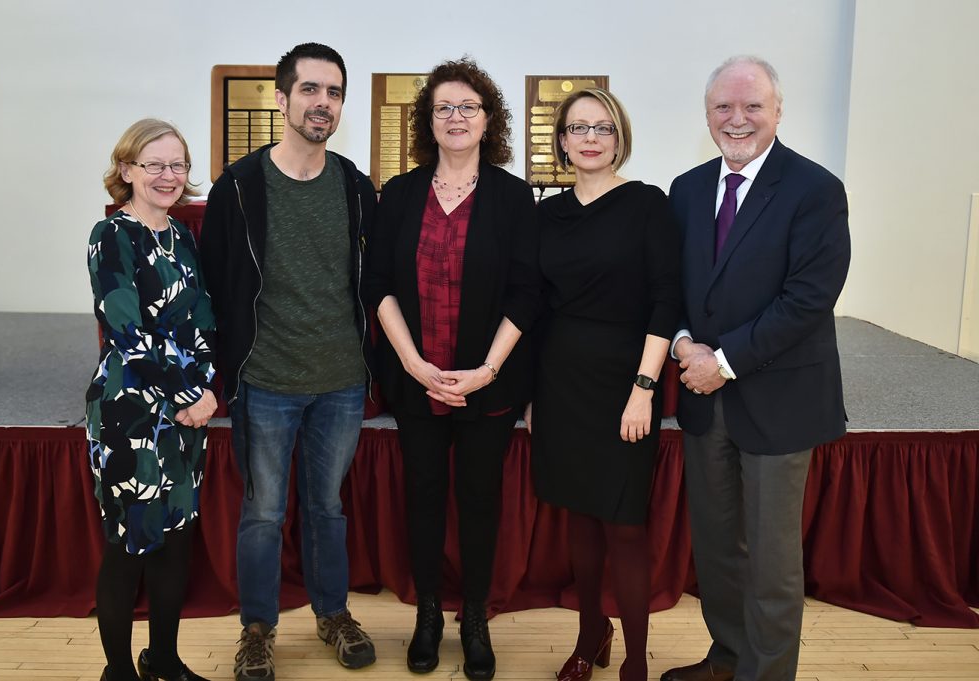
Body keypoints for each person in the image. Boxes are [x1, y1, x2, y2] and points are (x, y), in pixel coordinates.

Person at [661, 56, 851, 681]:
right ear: (707, 114)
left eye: (752, 107)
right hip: (702, 397)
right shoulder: (686, 189)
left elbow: (808, 298)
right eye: (723, 107)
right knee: (717, 550)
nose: (736, 119)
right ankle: (729, 658)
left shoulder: (815, 189)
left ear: (777, 112)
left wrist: (723, 360)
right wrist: (685, 342)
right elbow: (676, 288)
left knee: (771, 562)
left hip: (778, 401)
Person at [200, 43, 378, 680]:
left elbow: (373, 284)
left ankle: (332, 614)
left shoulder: (357, 189)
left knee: (327, 508)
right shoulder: (240, 189)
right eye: (310, 90)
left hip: (341, 383)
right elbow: (215, 287)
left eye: (333, 92)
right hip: (266, 381)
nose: (322, 103)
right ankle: (257, 629)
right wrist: (220, 376)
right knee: (264, 512)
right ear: (282, 98)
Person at [363, 58, 540, 680]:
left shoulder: (515, 197)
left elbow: (526, 291)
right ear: (427, 122)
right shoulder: (401, 193)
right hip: (417, 381)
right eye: (443, 108)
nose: (456, 117)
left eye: (468, 107)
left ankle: (475, 619)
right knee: (424, 498)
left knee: (480, 501)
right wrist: (411, 363)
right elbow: (377, 282)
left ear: (488, 120)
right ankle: (429, 614)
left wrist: (488, 370)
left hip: (487, 384)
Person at [526, 88, 681, 681]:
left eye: (603, 127)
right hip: (561, 379)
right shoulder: (547, 214)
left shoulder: (648, 205)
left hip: (626, 378)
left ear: (619, 138)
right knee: (581, 519)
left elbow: (667, 298)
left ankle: (637, 659)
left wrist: (644, 388)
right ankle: (591, 635)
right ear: (562, 140)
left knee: (624, 523)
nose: (590, 137)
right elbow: (536, 309)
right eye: (578, 127)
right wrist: (534, 397)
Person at [86, 118, 217, 681]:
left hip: (189, 411)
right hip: (129, 410)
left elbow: (204, 319)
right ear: (126, 170)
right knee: (131, 543)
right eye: (154, 165)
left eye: (177, 165)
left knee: (177, 539)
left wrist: (209, 389)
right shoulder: (111, 234)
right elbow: (124, 329)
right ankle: (118, 670)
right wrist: (190, 391)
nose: (168, 176)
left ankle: (163, 656)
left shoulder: (182, 235)